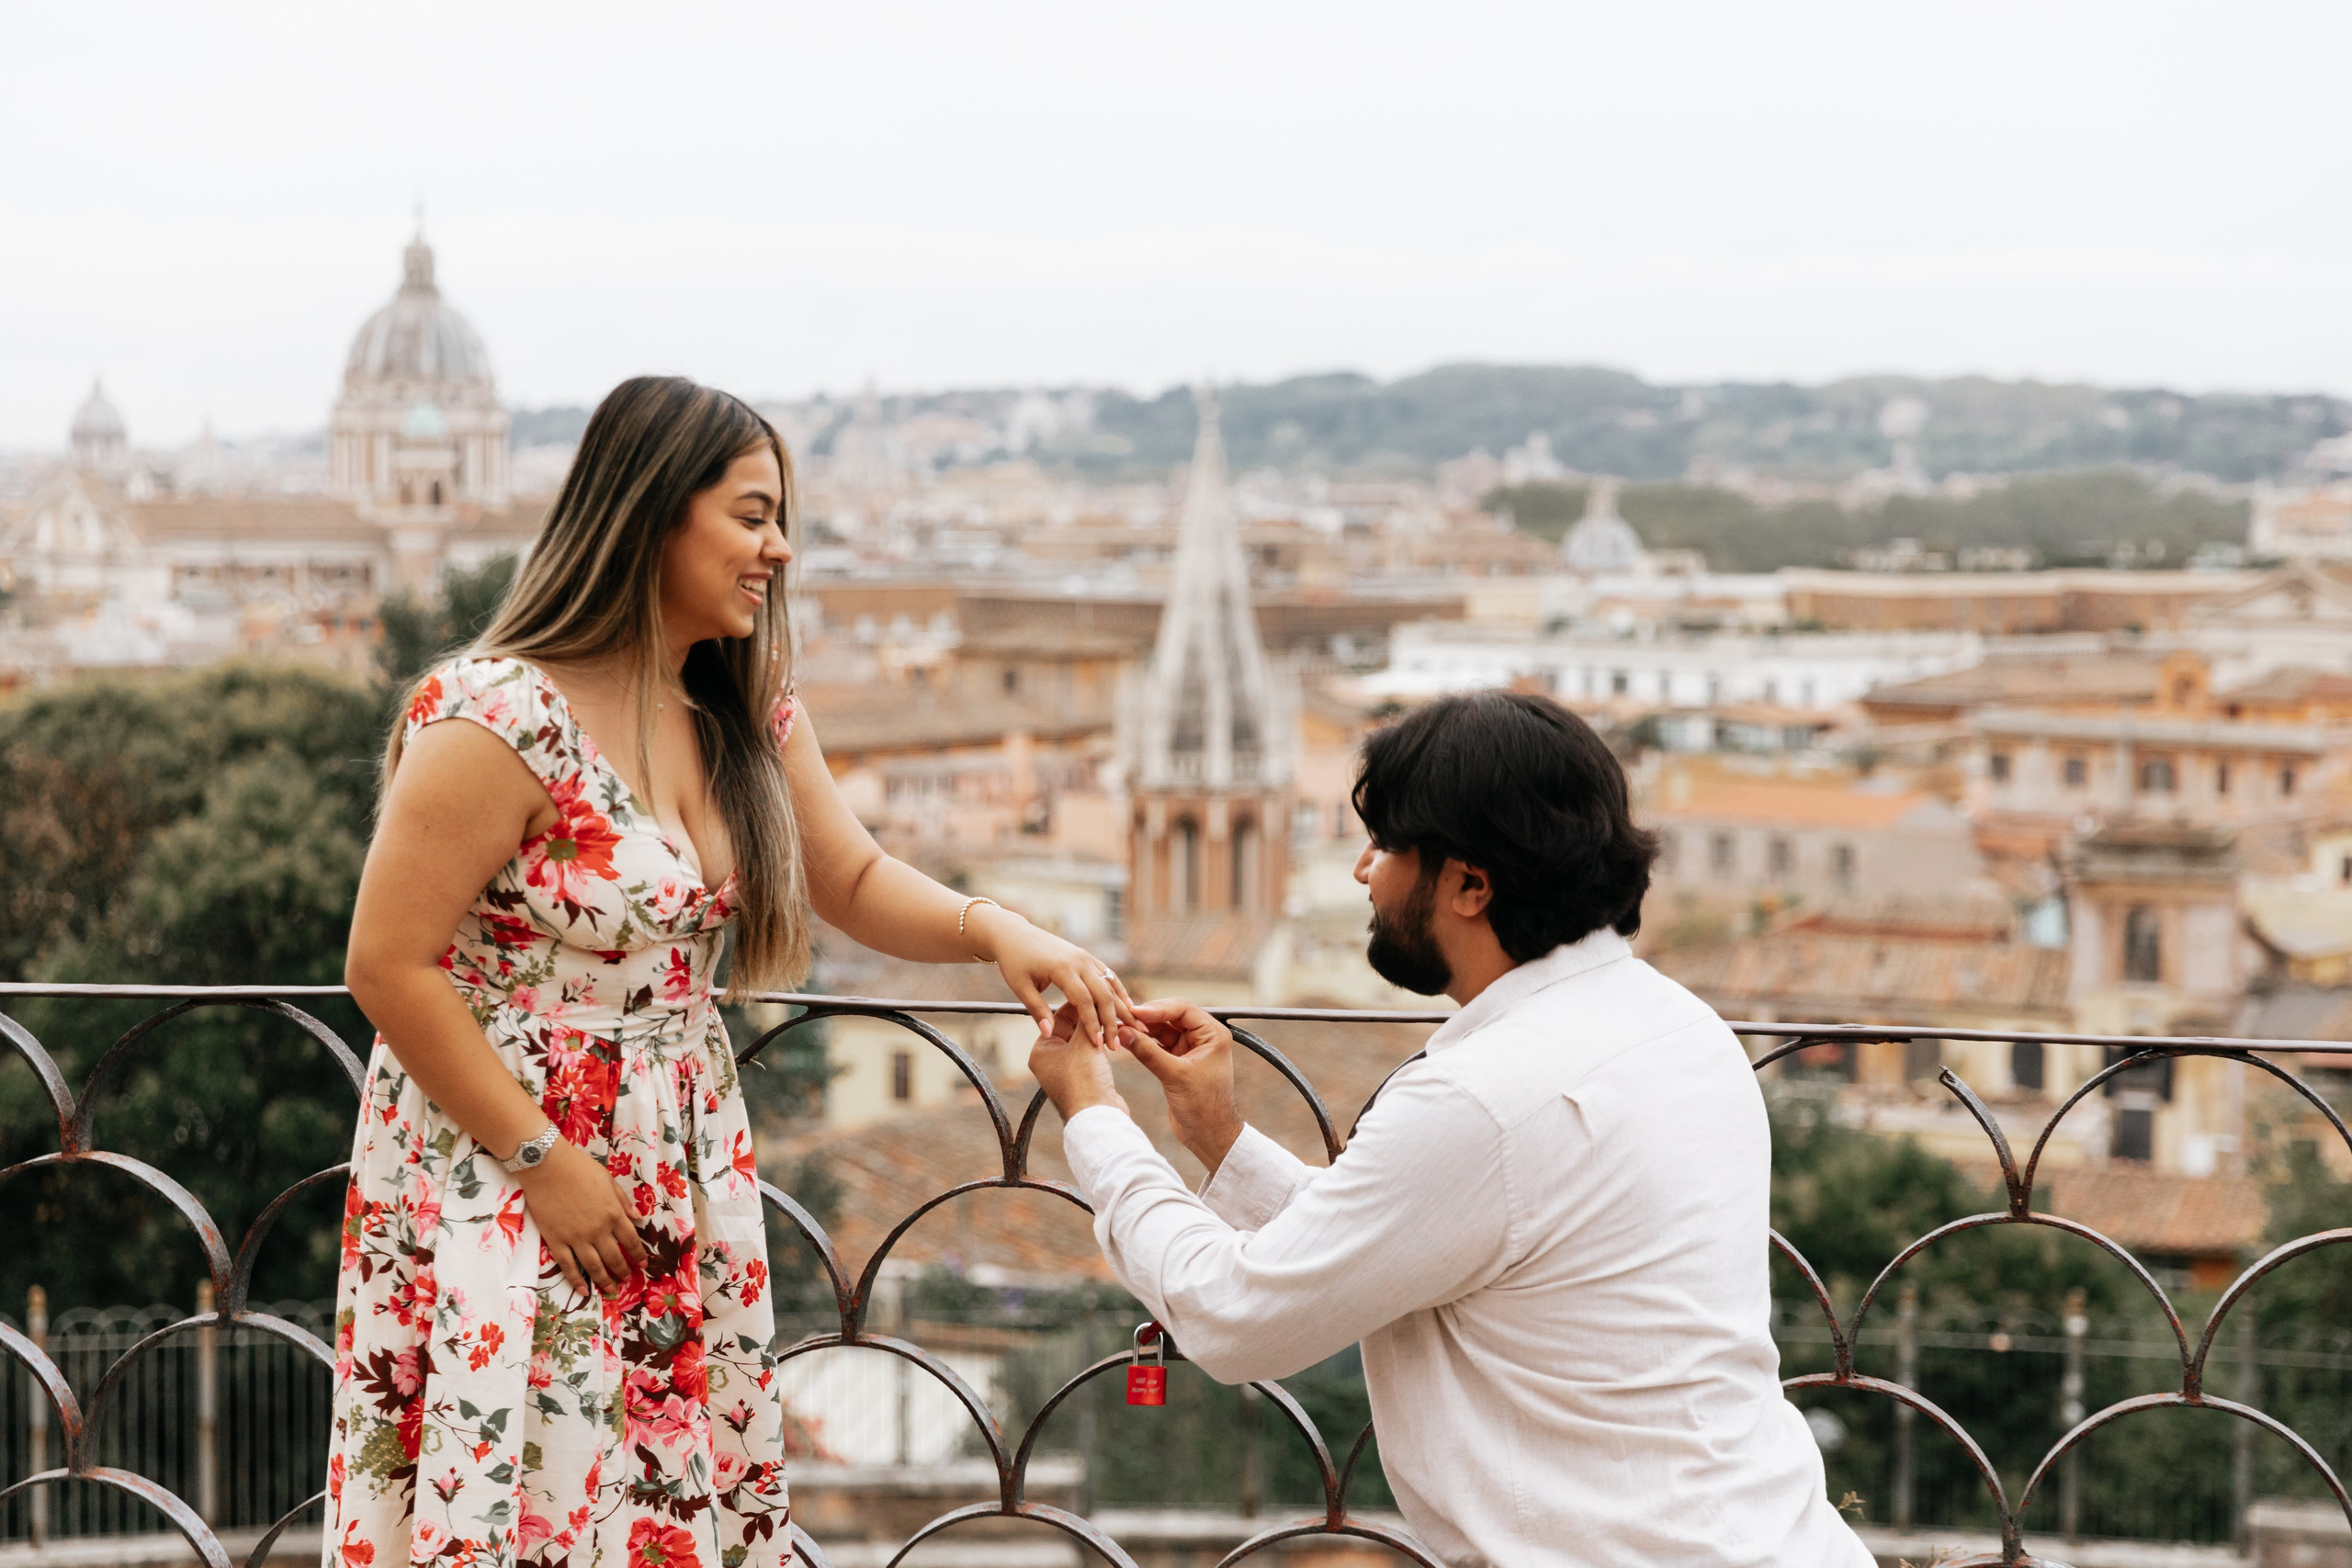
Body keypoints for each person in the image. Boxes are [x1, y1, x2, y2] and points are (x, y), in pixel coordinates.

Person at [328, 377, 1133, 1568]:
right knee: (521, 1489)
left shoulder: (745, 709)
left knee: (660, 1497)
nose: (781, 547)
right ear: (653, 513)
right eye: (753, 515)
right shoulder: (496, 714)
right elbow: (385, 964)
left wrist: (997, 927)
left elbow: (850, 876)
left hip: (674, 1151)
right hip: (509, 1162)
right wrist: (541, 1158)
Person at [1029, 691, 1871, 1567]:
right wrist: (1221, 1138)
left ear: (1470, 882)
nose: (1364, 871)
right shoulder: (1680, 1027)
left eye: (1388, 844)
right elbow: (1413, 1235)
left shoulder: (1482, 1098)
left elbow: (1238, 1317)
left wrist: (1093, 1115)